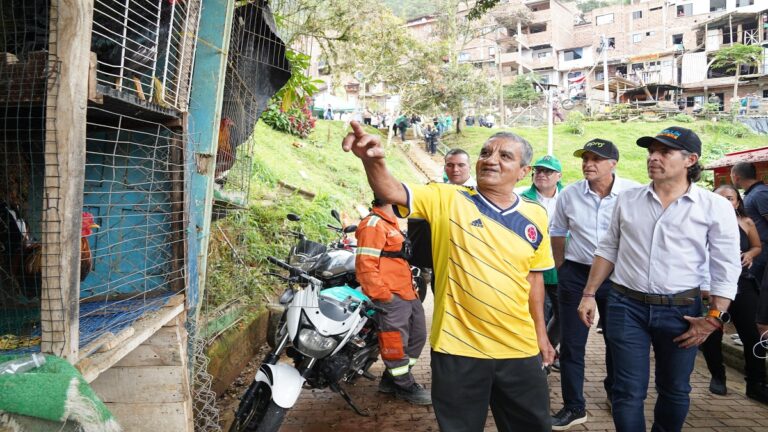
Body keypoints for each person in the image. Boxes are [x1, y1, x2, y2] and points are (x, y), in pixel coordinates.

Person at [342, 121, 555, 432]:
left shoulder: (536, 215)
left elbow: (534, 279)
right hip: (458, 350)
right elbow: (389, 189)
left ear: (523, 171)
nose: (491, 159)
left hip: (519, 350)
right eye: (485, 152)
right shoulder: (447, 198)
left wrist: (541, 334)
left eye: (505, 156)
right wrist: (372, 160)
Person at [577, 126, 741, 432]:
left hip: (683, 312)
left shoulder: (714, 206)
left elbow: (726, 265)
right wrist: (589, 294)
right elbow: (608, 248)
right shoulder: (628, 200)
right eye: (651, 151)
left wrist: (715, 316)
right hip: (626, 306)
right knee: (627, 391)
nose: (654, 158)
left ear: (690, 159)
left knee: (675, 389)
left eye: (664, 152)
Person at [549, 139, 639, 430]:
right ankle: (574, 407)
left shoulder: (634, 192)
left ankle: (615, 393)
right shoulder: (571, 195)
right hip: (576, 274)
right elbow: (558, 232)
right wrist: (562, 269)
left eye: (596, 159)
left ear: (613, 163)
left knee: (618, 339)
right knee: (573, 344)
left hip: (619, 275)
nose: (588, 164)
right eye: (585, 158)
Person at [355, 197, 431, 405]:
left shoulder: (391, 223)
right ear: (389, 198)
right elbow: (365, 265)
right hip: (391, 296)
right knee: (395, 342)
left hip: (408, 293)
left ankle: (391, 379)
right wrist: (383, 296)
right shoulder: (373, 224)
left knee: (418, 337)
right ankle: (404, 385)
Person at [699, 184, 767, 402]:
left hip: (743, 285)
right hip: (712, 287)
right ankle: (717, 375)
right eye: (721, 198)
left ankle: (756, 383)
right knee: (712, 333)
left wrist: (749, 254)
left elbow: (757, 246)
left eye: (730, 198)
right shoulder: (701, 223)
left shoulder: (746, 222)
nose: (726, 202)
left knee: (753, 335)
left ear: (738, 201)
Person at [408, 149, 477, 302]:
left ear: (469, 167)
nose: (455, 170)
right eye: (450, 165)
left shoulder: (481, 195)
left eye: (461, 165)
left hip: (471, 267)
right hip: (441, 266)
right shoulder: (435, 192)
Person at [521, 155, 565, 372]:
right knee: (536, 314)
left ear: (559, 176)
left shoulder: (569, 197)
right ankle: (539, 358)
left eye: (548, 171)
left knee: (565, 314)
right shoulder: (520, 196)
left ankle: (550, 348)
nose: (541, 175)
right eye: (538, 170)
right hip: (532, 268)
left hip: (561, 267)